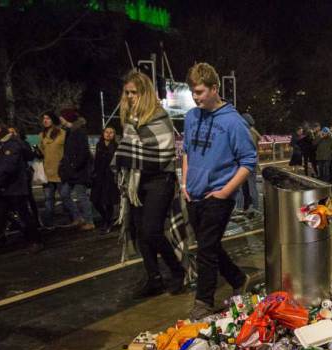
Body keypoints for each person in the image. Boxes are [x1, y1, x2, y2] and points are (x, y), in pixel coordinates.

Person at [182, 62, 257, 318]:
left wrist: (225, 192)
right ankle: (238, 278)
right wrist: (184, 183)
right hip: (193, 193)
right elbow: (185, 152)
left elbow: (248, 161)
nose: (195, 97)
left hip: (218, 194)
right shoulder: (192, 116)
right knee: (208, 245)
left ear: (215, 89)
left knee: (205, 249)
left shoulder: (233, 122)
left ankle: (203, 301)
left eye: (200, 92)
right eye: (193, 91)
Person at [115, 70, 188, 299]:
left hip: (160, 179)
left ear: (144, 93)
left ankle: (178, 271)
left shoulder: (159, 116)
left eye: (134, 92)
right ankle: (154, 278)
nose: (129, 97)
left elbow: (163, 151)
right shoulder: (129, 120)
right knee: (140, 232)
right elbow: (129, 150)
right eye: (126, 92)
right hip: (137, 183)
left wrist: (126, 155)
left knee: (152, 230)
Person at [0, 114, 43, 258]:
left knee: (24, 215)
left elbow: (8, 166)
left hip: (15, 187)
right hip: (0, 188)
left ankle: (36, 240)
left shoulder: (12, 143)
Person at [58, 108, 94, 230]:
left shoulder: (79, 132)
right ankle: (78, 217)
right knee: (64, 194)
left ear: (67, 118)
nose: (60, 119)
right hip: (71, 171)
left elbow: (83, 153)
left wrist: (74, 166)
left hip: (79, 171)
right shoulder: (69, 131)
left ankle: (89, 221)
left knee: (81, 195)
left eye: (62, 117)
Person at [37, 112, 73, 229]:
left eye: (48, 118)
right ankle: (48, 222)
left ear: (53, 120)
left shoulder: (63, 133)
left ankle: (73, 218)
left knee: (65, 196)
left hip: (60, 171)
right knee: (48, 199)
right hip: (47, 172)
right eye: (43, 118)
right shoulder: (41, 135)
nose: (45, 120)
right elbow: (42, 151)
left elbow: (68, 150)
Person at [91, 125, 119, 234]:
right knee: (95, 201)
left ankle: (107, 223)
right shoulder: (99, 145)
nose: (108, 134)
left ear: (114, 135)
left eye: (111, 132)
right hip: (98, 177)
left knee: (108, 202)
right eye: (106, 132)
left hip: (110, 177)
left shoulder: (116, 146)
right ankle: (106, 219)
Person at [241, 113, 261, 215]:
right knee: (247, 186)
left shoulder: (248, 132)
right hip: (250, 162)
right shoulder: (252, 131)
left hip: (248, 163)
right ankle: (247, 206)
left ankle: (255, 208)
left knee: (250, 186)